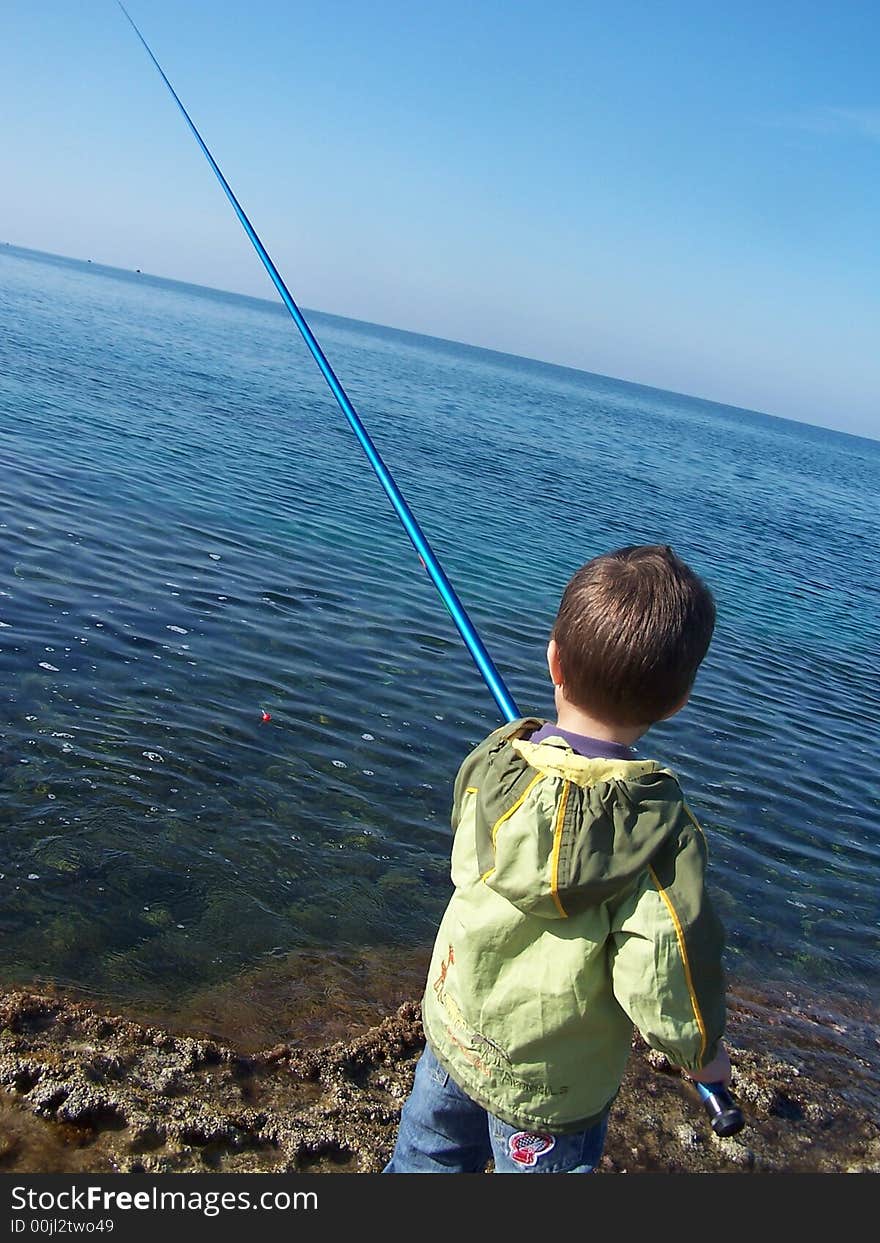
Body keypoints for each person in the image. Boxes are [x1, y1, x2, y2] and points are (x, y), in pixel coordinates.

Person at [384, 544, 730, 1174]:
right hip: (550, 1089)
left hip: (456, 1035)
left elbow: (469, 851)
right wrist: (699, 1053)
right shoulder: (658, 833)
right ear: (678, 702)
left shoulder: (495, 764)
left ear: (553, 662)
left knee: (424, 1162)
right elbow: (664, 968)